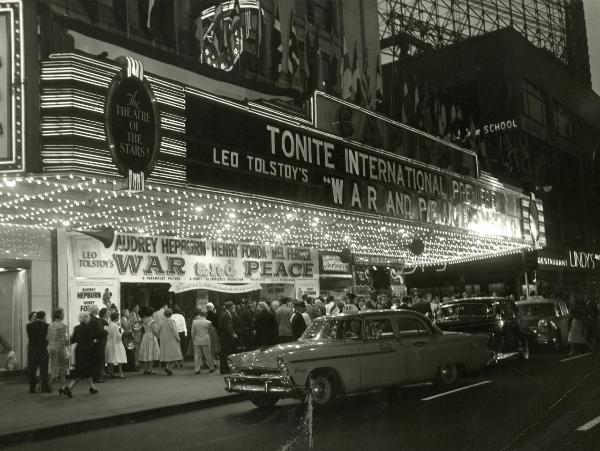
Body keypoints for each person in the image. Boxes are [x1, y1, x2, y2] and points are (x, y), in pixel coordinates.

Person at [62, 312, 98, 397]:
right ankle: (69, 387)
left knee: (86, 370)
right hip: (87, 350)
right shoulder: (89, 328)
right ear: (87, 319)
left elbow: (73, 340)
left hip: (78, 350)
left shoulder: (76, 328)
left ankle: (92, 387)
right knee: (83, 371)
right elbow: (92, 339)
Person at [27, 311, 51, 394]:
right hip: (42, 350)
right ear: (44, 317)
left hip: (32, 350)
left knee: (32, 370)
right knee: (43, 369)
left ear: (37, 317)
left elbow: (30, 337)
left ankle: (32, 389)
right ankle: (44, 388)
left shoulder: (29, 326)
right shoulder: (47, 326)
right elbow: (48, 338)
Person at [47, 308, 69, 393]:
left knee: (53, 368)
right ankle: (62, 387)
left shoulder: (51, 325)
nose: (64, 315)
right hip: (59, 349)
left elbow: (48, 338)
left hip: (51, 348)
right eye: (63, 313)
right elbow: (64, 340)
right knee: (62, 369)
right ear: (60, 315)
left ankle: (46, 385)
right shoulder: (62, 326)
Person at [190, 309, 215, 374]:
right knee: (208, 354)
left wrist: (193, 340)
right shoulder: (208, 322)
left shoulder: (194, 322)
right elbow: (211, 331)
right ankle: (211, 368)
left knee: (197, 355)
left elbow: (192, 332)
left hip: (197, 340)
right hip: (205, 339)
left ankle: (197, 369)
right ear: (205, 315)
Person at [158, 309, 182, 376]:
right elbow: (175, 331)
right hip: (172, 340)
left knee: (167, 355)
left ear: (164, 314)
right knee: (174, 354)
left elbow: (157, 330)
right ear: (171, 314)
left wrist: (159, 336)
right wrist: (178, 338)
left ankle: (167, 366)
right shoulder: (172, 321)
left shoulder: (161, 322)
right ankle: (169, 367)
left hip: (164, 340)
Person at [88, 305, 108, 383]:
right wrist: (105, 332)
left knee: (93, 360)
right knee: (99, 360)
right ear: (95, 311)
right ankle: (97, 377)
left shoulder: (88, 318)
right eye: (97, 309)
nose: (98, 311)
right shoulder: (96, 320)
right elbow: (99, 332)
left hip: (91, 342)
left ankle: (94, 377)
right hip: (98, 342)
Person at [105, 311, 127, 379]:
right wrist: (122, 333)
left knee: (110, 358)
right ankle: (121, 373)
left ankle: (111, 373)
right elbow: (118, 336)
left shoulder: (109, 325)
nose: (119, 318)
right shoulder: (116, 326)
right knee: (119, 358)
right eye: (118, 317)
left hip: (109, 343)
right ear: (116, 318)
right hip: (117, 343)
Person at [139, 307, 160, 375]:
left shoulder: (144, 320)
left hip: (145, 336)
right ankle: (150, 369)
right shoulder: (152, 321)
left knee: (146, 352)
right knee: (151, 352)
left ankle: (146, 369)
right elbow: (154, 331)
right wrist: (158, 335)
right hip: (151, 337)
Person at [218, 301, 238, 374]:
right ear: (230, 307)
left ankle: (225, 368)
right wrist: (233, 333)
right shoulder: (225, 315)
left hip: (224, 336)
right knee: (225, 353)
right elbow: (227, 326)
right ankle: (224, 369)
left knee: (225, 352)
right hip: (225, 337)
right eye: (233, 307)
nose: (234, 308)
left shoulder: (225, 313)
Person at [130, 304, 143, 368]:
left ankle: (137, 362)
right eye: (137, 308)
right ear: (134, 308)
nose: (138, 309)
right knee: (135, 349)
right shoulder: (131, 315)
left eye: (138, 308)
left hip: (139, 334)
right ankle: (135, 363)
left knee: (138, 349)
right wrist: (139, 322)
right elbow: (131, 324)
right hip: (134, 334)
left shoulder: (138, 315)